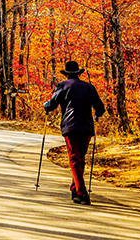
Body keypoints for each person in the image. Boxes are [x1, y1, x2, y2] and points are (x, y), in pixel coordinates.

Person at [44, 60, 105, 205]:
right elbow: (100, 108)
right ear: (78, 73)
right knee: (80, 159)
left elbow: (52, 104)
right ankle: (75, 187)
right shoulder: (89, 87)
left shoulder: (62, 86)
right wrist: (96, 114)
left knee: (74, 159)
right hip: (86, 127)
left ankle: (81, 193)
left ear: (66, 74)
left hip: (70, 127)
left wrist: (46, 106)